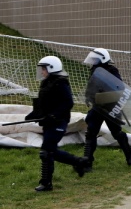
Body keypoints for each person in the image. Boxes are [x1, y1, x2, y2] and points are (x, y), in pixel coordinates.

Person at [25, 56, 88, 191]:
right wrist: (34, 115)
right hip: (48, 122)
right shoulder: (46, 82)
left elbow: (68, 103)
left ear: (52, 68)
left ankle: (46, 183)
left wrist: (53, 116)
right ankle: (78, 162)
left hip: (59, 122)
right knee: (50, 151)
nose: (42, 71)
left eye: (44, 68)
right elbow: (43, 104)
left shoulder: (61, 83)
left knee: (46, 151)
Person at [83, 48, 131, 171]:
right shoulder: (94, 70)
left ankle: (130, 156)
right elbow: (91, 87)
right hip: (97, 107)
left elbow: (119, 87)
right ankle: (87, 162)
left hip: (111, 107)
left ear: (103, 59)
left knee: (117, 133)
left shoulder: (112, 70)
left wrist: (106, 96)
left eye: (96, 59)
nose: (93, 61)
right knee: (91, 133)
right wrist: (88, 96)